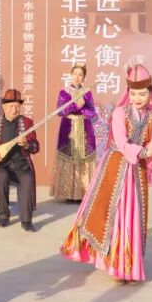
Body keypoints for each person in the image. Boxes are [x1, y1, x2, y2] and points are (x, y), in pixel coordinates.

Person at [60, 56, 152, 282]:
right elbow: (122, 143)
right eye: (133, 94)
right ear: (128, 93)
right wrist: (146, 152)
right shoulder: (119, 113)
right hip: (115, 168)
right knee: (113, 217)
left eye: (142, 94)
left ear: (150, 93)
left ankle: (129, 267)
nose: (137, 98)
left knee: (134, 218)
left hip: (138, 173)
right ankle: (115, 265)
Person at [0, 89, 40, 231]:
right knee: (1, 176)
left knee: (27, 179)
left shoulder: (27, 123)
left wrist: (27, 145)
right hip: (0, 164)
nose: (14, 109)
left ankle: (26, 221)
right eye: (11, 106)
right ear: (4, 107)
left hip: (20, 165)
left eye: (17, 106)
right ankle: (4, 215)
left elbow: (35, 146)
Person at [50, 64, 97, 202]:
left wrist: (82, 109)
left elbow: (92, 112)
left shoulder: (87, 93)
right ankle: (68, 194)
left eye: (80, 75)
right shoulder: (64, 92)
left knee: (83, 159)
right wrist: (77, 105)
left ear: (84, 78)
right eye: (75, 74)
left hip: (84, 127)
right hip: (68, 127)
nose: (77, 77)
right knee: (68, 158)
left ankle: (83, 193)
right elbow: (60, 111)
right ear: (71, 75)